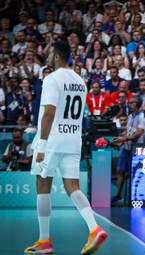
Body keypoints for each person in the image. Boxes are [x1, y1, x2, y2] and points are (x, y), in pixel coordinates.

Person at [25, 40, 107, 254]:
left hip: (52, 140)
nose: (48, 56)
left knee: (42, 186)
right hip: (73, 139)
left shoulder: (52, 78)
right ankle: (94, 228)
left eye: (50, 53)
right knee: (73, 187)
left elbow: (49, 113)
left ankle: (44, 241)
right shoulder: (80, 80)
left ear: (57, 56)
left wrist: (41, 145)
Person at [112, 95, 145, 204]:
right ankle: (118, 196)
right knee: (120, 171)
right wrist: (120, 143)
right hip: (126, 149)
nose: (129, 104)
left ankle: (135, 197)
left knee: (134, 174)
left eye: (132, 102)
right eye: (129, 102)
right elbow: (127, 131)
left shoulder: (143, 117)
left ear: (137, 104)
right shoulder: (130, 116)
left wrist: (124, 138)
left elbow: (138, 134)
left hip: (136, 150)